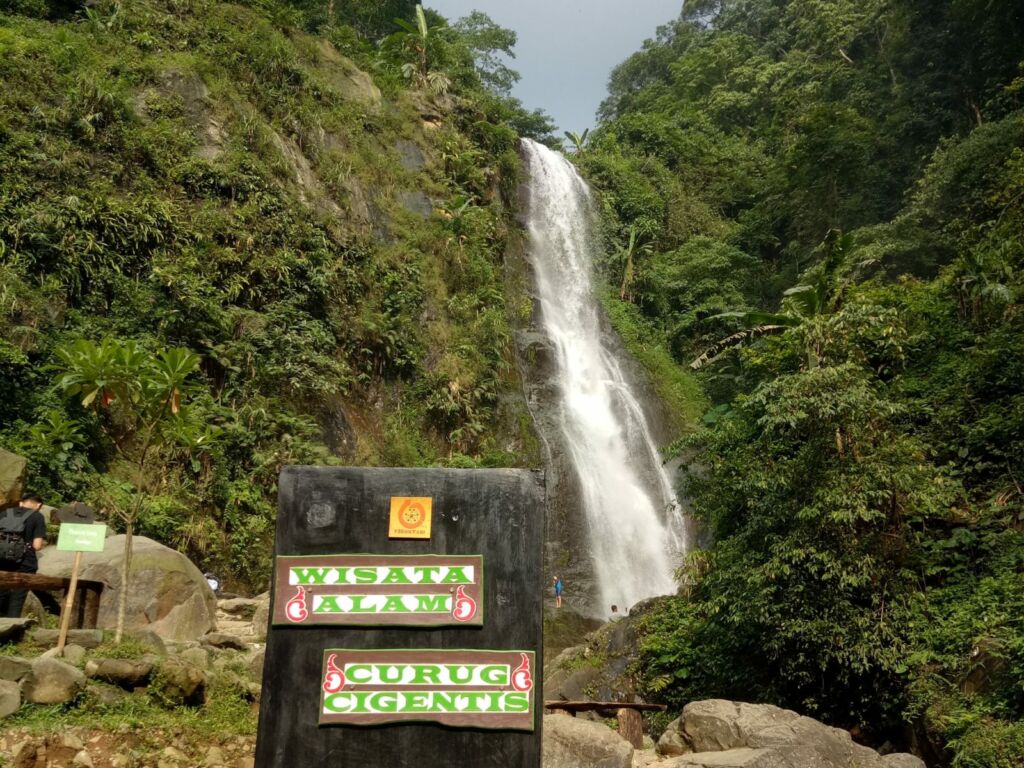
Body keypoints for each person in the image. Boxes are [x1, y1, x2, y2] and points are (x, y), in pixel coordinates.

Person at [0, 493, 47, 618]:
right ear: (38, 505)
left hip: (2, 560)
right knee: (18, 595)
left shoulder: (4, 513)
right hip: (25, 562)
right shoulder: (37, 517)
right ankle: (12, 627)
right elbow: (37, 545)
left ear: (21, 503)